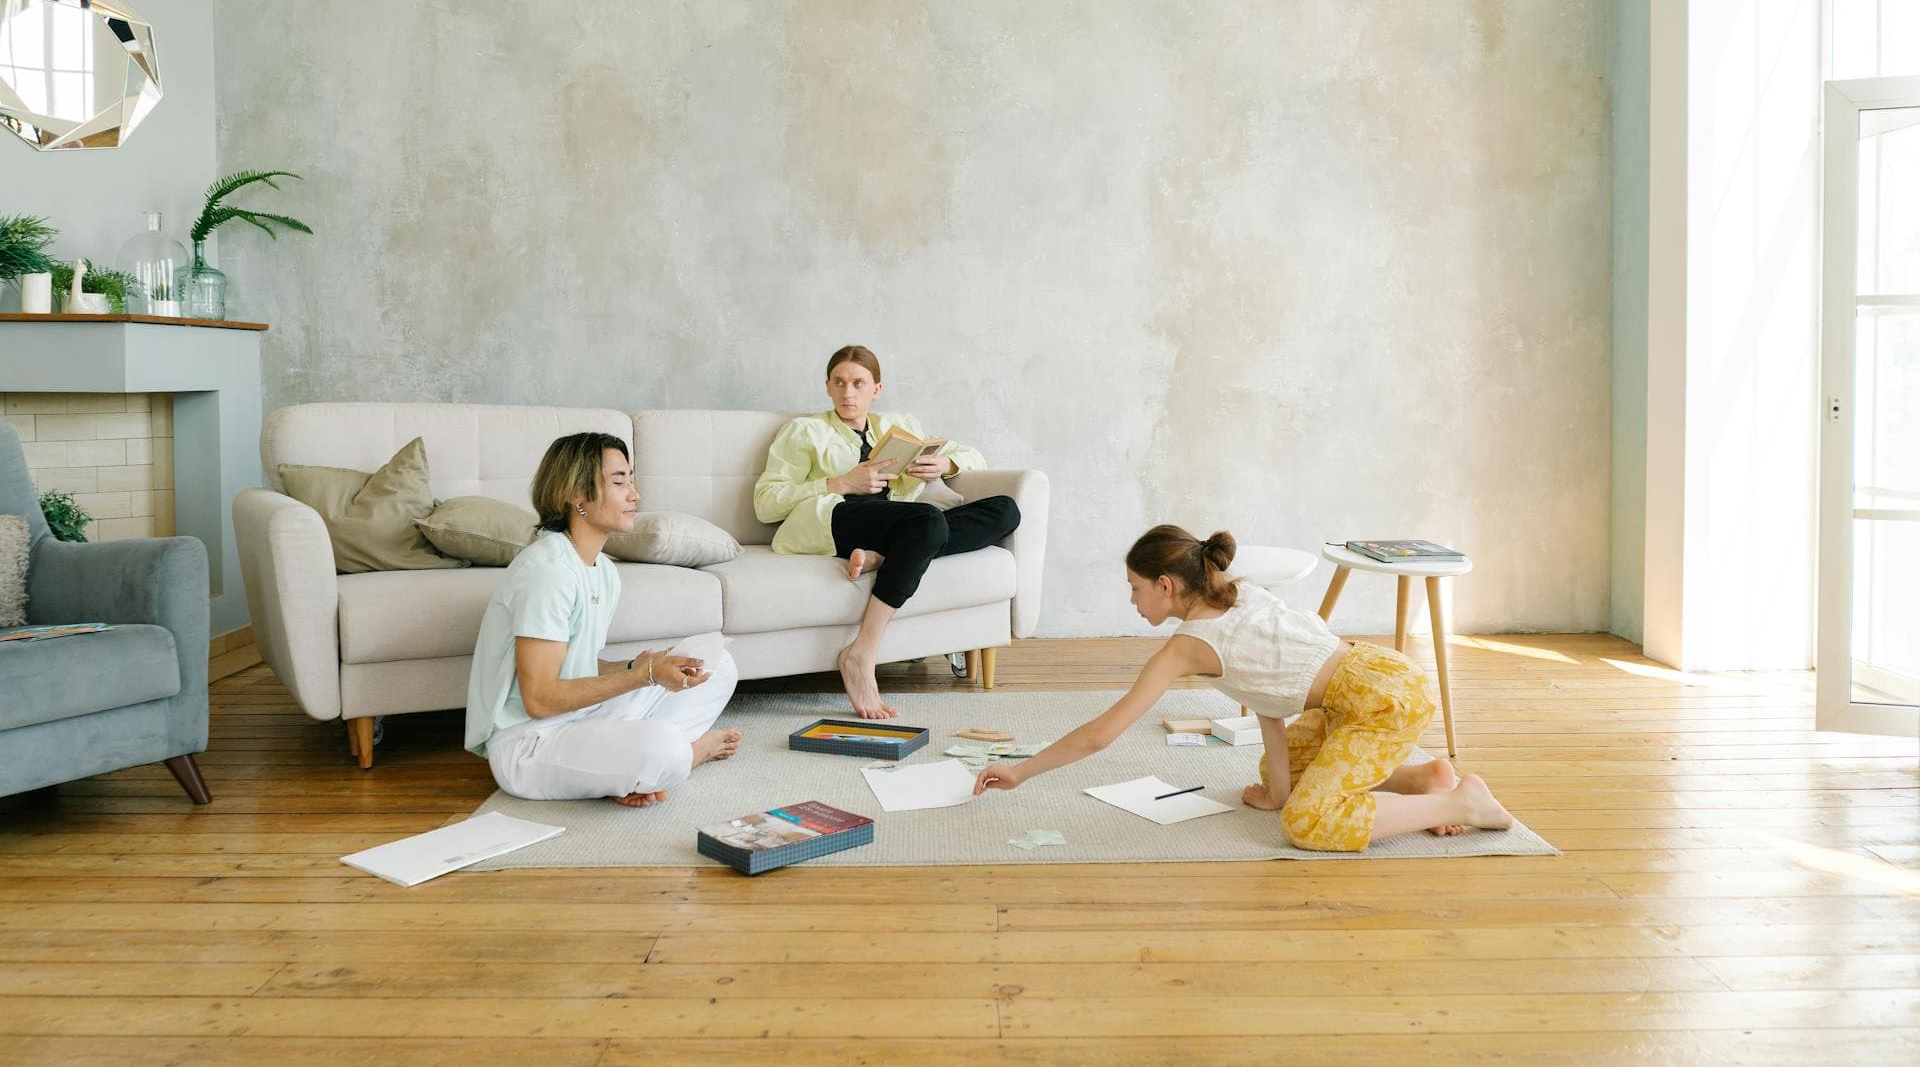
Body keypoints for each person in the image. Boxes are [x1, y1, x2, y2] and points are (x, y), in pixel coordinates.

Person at [972, 524, 1514, 851]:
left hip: (1382, 704)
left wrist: (1021, 770)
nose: (1132, 601)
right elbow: (1269, 703)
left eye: (1135, 588)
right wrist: (1277, 792)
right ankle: (1424, 778)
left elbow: (1100, 734)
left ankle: (1460, 805)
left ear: (1165, 585)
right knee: (1283, 777)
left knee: (1308, 822)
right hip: (1372, 678)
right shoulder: (1236, 591)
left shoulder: (1187, 648)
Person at [465, 432, 741, 804]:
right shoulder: (547, 571)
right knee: (665, 747)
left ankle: (621, 773)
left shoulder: (602, 570)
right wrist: (643, 676)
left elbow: (573, 665)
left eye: (631, 481)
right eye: (619, 482)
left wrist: (635, 665)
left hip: (582, 718)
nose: (634, 495)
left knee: (718, 665)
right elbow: (540, 699)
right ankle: (685, 756)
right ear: (577, 495)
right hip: (529, 743)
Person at [754, 344, 1021, 719]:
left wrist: (945, 464)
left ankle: (884, 556)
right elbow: (766, 503)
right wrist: (841, 483)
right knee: (927, 520)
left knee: (1005, 509)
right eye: (839, 382)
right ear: (827, 386)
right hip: (835, 519)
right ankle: (861, 652)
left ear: (876, 389)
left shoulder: (899, 427)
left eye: (858, 384)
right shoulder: (805, 431)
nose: (848, 393)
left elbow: (973, 455)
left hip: (897, 523)